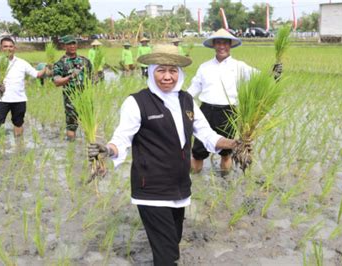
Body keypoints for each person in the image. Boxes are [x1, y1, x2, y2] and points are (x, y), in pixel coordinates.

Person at [87, 44, 237, 266]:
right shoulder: (137, 102)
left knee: (173, 244)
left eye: (173, 71)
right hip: (151, 188)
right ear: (151, 71)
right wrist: (107, 149)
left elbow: (207, 135)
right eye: (161, 70)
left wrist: (236, 143)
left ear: (180, 73)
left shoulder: (187, 101)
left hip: (180, 186)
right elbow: (121, 138)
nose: (167, 77)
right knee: (167, 256)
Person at [187, 28, 283, 174]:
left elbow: (260, 77)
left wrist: (274, 72)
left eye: (225, 43)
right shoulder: (204, 67)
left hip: (228, 112)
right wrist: (178, 101)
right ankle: (195, 182)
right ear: (213, 45)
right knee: (198, 152)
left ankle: (225, 182)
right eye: (218, 43)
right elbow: (193, 89)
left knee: (226, 154)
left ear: (230, 45)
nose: (221, 46)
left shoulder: (239, 66)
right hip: (205, 112)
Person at [0, 37, 48, 142]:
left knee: (18, 123)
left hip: (19, 99)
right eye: (5, 46)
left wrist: (46, 68)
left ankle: (19, 146)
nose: (8, 48)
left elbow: (36, 74)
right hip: (1, 99)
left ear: (14, 48)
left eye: (11, 46)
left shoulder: (22, 63)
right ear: (1, 48)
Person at [53, 35, 92, 141]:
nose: (72, 46)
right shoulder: (60, 64)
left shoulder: (85, 61)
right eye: (69, 44)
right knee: (71, 125)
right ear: (64, 46)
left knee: (89, 124)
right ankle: (72, 149)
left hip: (86, 98)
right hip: (70, 99)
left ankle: (90, 147)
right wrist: (71, 76)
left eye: (74, 43)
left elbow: (91, 78)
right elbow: (57, 82)